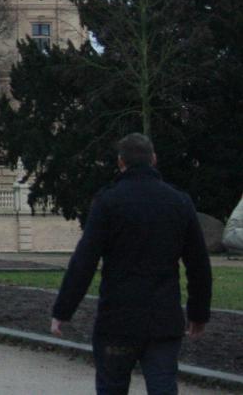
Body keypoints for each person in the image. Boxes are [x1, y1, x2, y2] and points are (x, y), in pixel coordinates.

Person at [51, 133, 212, 395]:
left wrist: (63, 310)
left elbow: (84, 261)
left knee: (112, 386)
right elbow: (198, 263)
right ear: (154, 159)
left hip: (118, 319)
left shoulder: (108, 202)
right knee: (163, 387)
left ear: (121, 162)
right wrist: (198, 313)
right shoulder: (179, 202)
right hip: (163, 318)